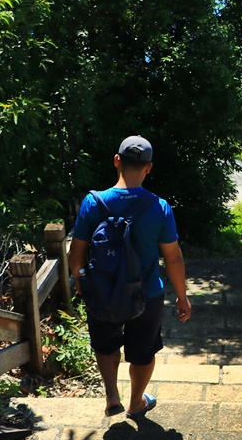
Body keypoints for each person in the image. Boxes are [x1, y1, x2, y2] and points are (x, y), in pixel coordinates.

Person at [68, 135, 191, 418]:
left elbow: (76, 254)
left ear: (117, 161)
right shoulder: (159, 207)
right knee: (143, 352)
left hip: (102, 291)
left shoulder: (92, 203)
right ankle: (136, 402)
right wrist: (182, 297)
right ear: (148, 168)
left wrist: (81, 280)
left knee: (105, 344)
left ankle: (112, 395)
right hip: (146, 294)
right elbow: (173, 257)